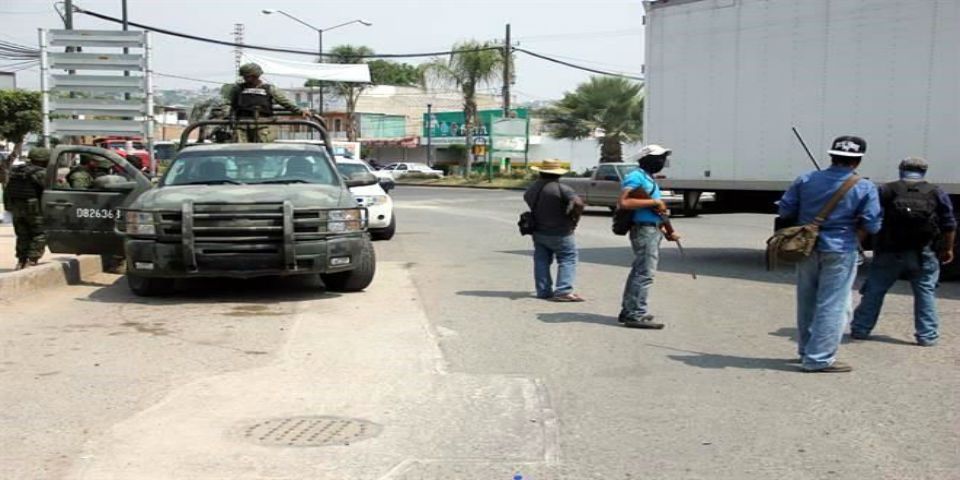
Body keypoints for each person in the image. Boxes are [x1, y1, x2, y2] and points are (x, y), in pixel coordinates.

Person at [777, 136, 882, 372]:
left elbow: (785, 211)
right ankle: (819, 358)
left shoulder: (806, 179)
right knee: (833, 304)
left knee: (806, 300)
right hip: (841, 248)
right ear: (857, 161)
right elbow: (873, 224)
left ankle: (806, 350)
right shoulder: (864, 186)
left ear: (832, 156)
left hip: (805, 247)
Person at [851, 157, 956, 346]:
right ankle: (927, 336)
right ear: (924, 172)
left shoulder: (886, 190)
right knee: (925, 292)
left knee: (875, 290)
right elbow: (949, 224)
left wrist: (858, 243)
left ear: (901, 170)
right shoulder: (936, 192)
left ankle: (860, 329)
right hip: (924, 252)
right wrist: (948, 248)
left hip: (888, 251)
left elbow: (869, 217)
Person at [617, 144, 681, 329]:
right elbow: (624, 202)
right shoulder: (636, 176)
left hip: (652, 228)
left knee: (640, 271)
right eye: (659, 158)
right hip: (644, 230)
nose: (662, 161)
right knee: (644, 273)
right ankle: (635, 314)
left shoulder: (647, 178)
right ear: (647, 159)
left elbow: (653, 208)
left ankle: (631, 310)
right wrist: (654, 201)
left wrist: (668, 231)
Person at [523, 159, 585, 301]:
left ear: (540, 172)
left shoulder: (532, 189)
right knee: (568, 258)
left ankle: (543, 290)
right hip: (561, 231)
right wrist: (574, 219)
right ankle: (563, 291)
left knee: (541, 260)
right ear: (558, 174)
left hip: (538, 230)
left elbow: (529, 200)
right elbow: (579, 203)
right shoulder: (562, 188)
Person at [226, 63, 311, 143]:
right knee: (240, 152)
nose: (246, 78)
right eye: (245, 76)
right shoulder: (237, 89)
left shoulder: (269, 89)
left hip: (263, 125)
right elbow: (227, 103)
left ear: (256, 76)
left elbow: (284, 101)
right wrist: (225, 113)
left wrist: (300, 111)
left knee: (264, 151)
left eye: (249, 76)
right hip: (242, 125)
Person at [2, 147, 49, 269]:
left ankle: (21, 260)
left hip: (16, 207)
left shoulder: (16, 171)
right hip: (33, 208)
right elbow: (55, 187)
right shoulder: (40, 173)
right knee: (39, 233)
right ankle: (31, 259)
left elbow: (7, 190)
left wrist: (8, 208)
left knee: (22, 234)